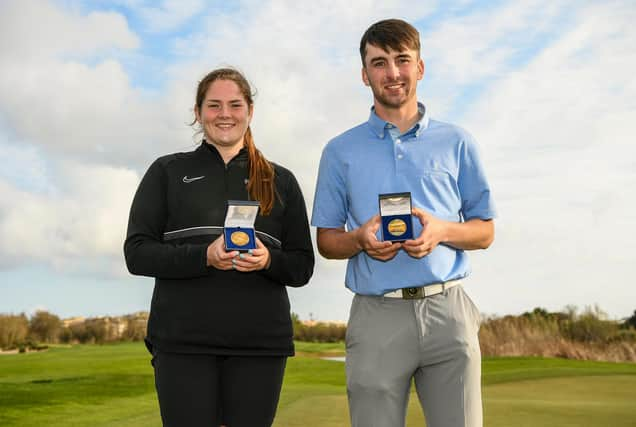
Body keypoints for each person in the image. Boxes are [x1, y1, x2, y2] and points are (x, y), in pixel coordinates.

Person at [311, 19, 496, 427]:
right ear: (365, 74)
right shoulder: (339, 151)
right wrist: (359, 238)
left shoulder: (457, 142)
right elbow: (326, 241)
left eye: (402, 60)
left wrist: (443, 231)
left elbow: (485, 231)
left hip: (448, 311)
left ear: (420, 67)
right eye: (379, 63)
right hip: (377, 314)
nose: (392, 73)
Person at [124, 67, 314, 427]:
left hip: (260, 345)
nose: (224, 114)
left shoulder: (280, 179)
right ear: (198, 113)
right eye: (213, 105)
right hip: (183, 343)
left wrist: (268, 260)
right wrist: (204, 256)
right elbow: (137, 253)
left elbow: (302, 266)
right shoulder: (167, 171)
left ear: (249, 112)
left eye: (234, 104)